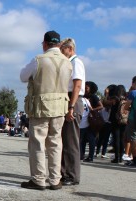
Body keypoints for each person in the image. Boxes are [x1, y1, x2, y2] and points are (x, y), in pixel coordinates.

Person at [19, 30, 72, 190]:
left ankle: (38, 179)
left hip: (41, 106)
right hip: (60, 107)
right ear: (59, 44)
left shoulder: (39, 60)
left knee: (38, 143)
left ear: (45, 43)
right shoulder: (68, 62)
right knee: (56, 143)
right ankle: (55, 180)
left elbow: (22, 76)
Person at [60, 37, 85, 186]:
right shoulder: (69, 62)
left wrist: (71, 106)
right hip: (69, 99)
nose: (61, 52)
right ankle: (64, 172)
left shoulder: (76, 62)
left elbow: (77, 85)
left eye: (63, 49)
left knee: (71, 141)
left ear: (70, 49)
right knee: (65, 139)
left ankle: (72, 175)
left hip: (73, 100)